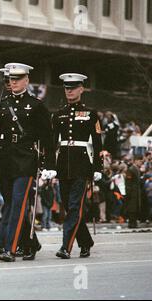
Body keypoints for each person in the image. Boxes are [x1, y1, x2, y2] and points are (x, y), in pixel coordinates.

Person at [0, 63, 56, 262]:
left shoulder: (36, 105)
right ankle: (30, 243)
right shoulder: (1, 103)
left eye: (18, 79)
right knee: (11, 203)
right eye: (11, 79)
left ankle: (11, 248)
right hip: (4, 159)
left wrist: (50, 165)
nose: (14, 82)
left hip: (25, 160)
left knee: (18, 203)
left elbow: (47, 138)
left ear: (26, 80)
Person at [53, 73, 103, 259]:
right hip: (63, 164)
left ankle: (66, 246)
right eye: (67, 88)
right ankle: (86, 241)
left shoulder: (91, 114)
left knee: (74, 207)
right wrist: (48, 165)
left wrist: (98, 167)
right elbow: (52, 143)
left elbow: (97, 143)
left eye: (73, 87)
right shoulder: (58, 114)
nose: (70, 91)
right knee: (69, 207)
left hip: (82, 165)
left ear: (81, 89)